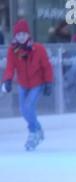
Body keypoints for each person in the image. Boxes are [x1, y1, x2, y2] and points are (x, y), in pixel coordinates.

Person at [1, 19, 54, 151]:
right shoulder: (13, 51)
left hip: (37, 83)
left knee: (28, 106)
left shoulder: (39, 49)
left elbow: (46, 67)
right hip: (23, 83)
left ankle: (33, 133)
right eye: (18, 35)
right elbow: (10, 67)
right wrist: (7, 80)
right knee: (23, 110)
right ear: (15, 36)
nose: (21, 37)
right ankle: (37, 128)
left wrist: (48, 82)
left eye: (24, 34)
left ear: (28, 35)